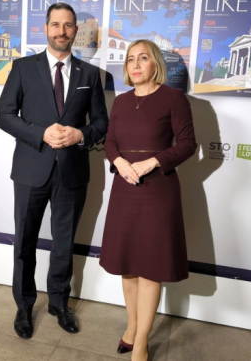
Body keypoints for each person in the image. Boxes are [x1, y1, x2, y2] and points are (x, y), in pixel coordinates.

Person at [0, 2, 108, 339]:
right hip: (31, 169)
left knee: (64, 243)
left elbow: (101, 122)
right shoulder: (22, 67)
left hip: (72, 172)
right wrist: (40, 133)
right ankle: (24, 306)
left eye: (68, 25)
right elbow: (4, 115)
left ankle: (59, 302)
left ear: (76, 31)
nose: (61, 31)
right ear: (45, 29)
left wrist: (80, 135)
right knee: (24, 242)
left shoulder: (90, 74)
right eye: (55, 24)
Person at [99, 40, 196, 361]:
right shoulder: (121, 101)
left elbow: (187, 144)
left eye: (143, 58)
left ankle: (141, 342)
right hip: (124, 187)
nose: (136, 64)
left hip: (158, 191)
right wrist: (120, 162)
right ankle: (131, 327)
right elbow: (110, 142)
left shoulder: (174, 98)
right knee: (127, 266)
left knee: (149, 268)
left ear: (156, 64)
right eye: (130, 59)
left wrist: (152, 162)